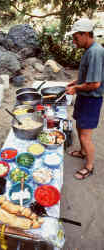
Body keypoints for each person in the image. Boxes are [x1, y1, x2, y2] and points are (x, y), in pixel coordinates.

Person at [66, 18, 104, 180]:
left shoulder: (95, 52)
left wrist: (75, 88)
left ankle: (89, 166)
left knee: (85, 136)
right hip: (84, 97)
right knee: (80, 128)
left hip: (91, 100)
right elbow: (87, 76)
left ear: (86, 34)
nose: (74, 41)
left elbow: (95, 84)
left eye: (76, 38)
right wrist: (76, 82)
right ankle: (82, 152)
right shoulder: (89, 50)